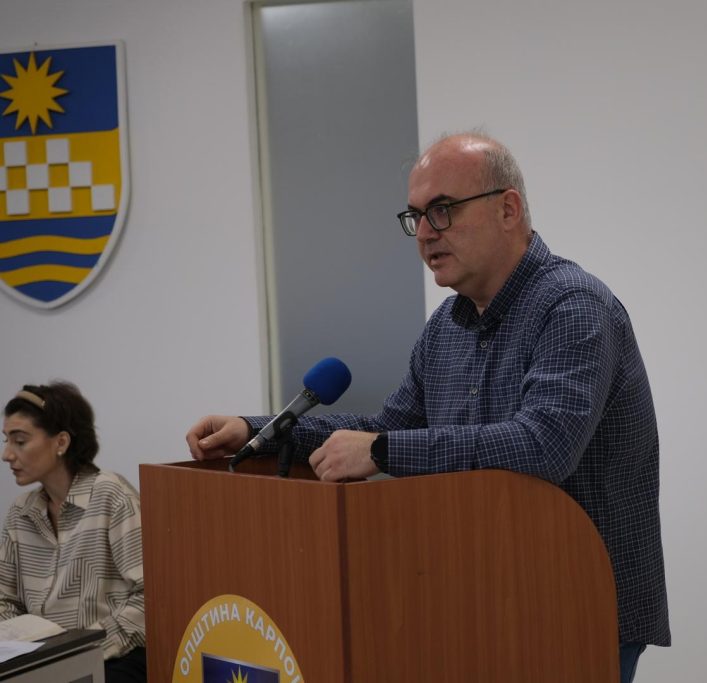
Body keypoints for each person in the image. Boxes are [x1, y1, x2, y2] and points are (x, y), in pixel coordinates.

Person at [186, 132, 670, 682]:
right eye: (415, 216)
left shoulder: (574, 307)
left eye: (442, 211)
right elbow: (384, 429)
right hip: (476, 600)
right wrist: (261, 431)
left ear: (508, 209)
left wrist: (382, 450)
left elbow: (543, 445)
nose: (423, 233)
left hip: (575, 603)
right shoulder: (447, 325)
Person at [1, 382, 146, 683]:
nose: (6, 454)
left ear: (61, 442)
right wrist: (24, 652)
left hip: (114, 657)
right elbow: (4, 601)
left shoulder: (111, 495)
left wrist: (79, 652)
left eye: (20, 441)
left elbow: (149, 597)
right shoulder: (20, 512)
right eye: (6, 440)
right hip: (42, 663)